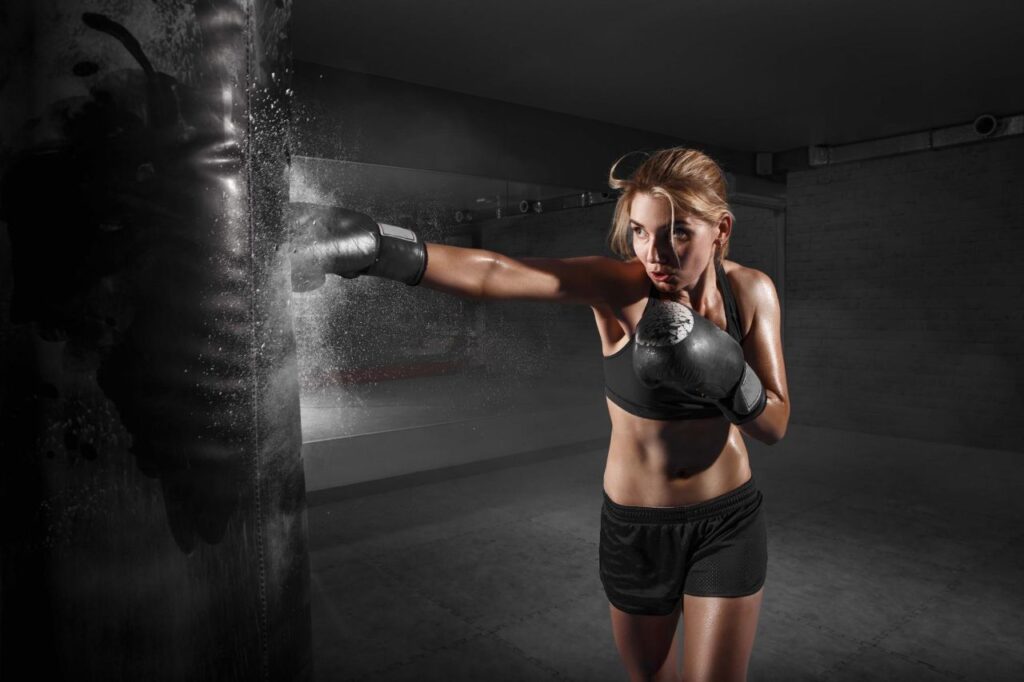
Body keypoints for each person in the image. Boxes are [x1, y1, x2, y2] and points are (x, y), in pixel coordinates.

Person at [290, 147, 790, 682]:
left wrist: (732, 379)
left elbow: (775, 426)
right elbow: (497, 273)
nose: (655, 252)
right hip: (638, 530)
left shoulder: (751, 292)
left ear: (721, 228)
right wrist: (381, 251)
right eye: (641, 231)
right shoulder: (620, 290)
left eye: (678, 232)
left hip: (727, 520)